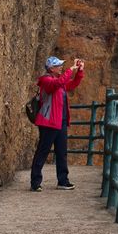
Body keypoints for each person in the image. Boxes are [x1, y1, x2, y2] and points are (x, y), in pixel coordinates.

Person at [30, 55, 85, 192]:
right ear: (51, 68)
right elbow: (57, 84)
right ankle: (35, 182)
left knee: (62, 152)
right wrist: (71, 69)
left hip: (61, 122)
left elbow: (73, 84)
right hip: (48, 122)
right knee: (42, 151)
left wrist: (79, 71)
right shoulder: (46, 80)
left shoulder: (59, 81)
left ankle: (63, 181)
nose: (61, 67)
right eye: (58, 65)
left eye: (61, 65)